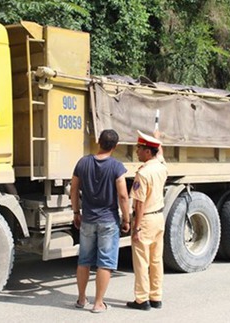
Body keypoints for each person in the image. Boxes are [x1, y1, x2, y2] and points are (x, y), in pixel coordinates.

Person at [71, 129, 130, 313]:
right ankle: (98, 303)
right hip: (108, 221)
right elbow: (122, 195)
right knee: (105, 262)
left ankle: (81, 299)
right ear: (115, 146)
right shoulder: (116, 167)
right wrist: (127, 219)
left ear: (98, 142)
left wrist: (76, 212)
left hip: (88, 219)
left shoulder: (83, 163)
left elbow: (74, 189)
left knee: (84, 260)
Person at [126, 130, 167, 311]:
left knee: (142, 261)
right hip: (159, 217)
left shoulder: (143, 174)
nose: (137, 152)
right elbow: (161, 156)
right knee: (156, 259)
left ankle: (142, 299)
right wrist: (158, 140)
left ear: (148, 152)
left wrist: (136, 229)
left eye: (140, 149)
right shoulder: (161, 167)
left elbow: (139, 205)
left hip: (146, 220)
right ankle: (156, 296)